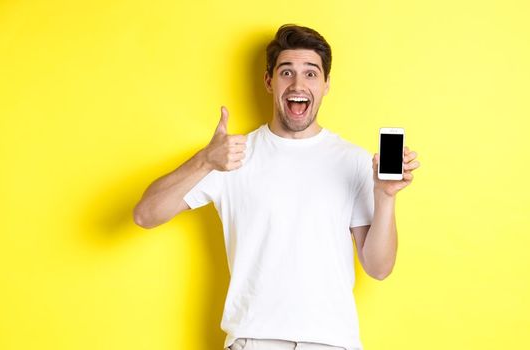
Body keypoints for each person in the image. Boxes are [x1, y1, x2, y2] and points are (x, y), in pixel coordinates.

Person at [133, 24, 420, 350]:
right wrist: (204, 161)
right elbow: (145, 215)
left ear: (326, 85)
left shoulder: (353, 161)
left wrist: (384, 196)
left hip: (331, 343)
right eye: (287, 72)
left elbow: (379, 267)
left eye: (311, 74)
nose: (298, 84)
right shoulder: (231, 156)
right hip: (254, 341)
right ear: (269, 81)